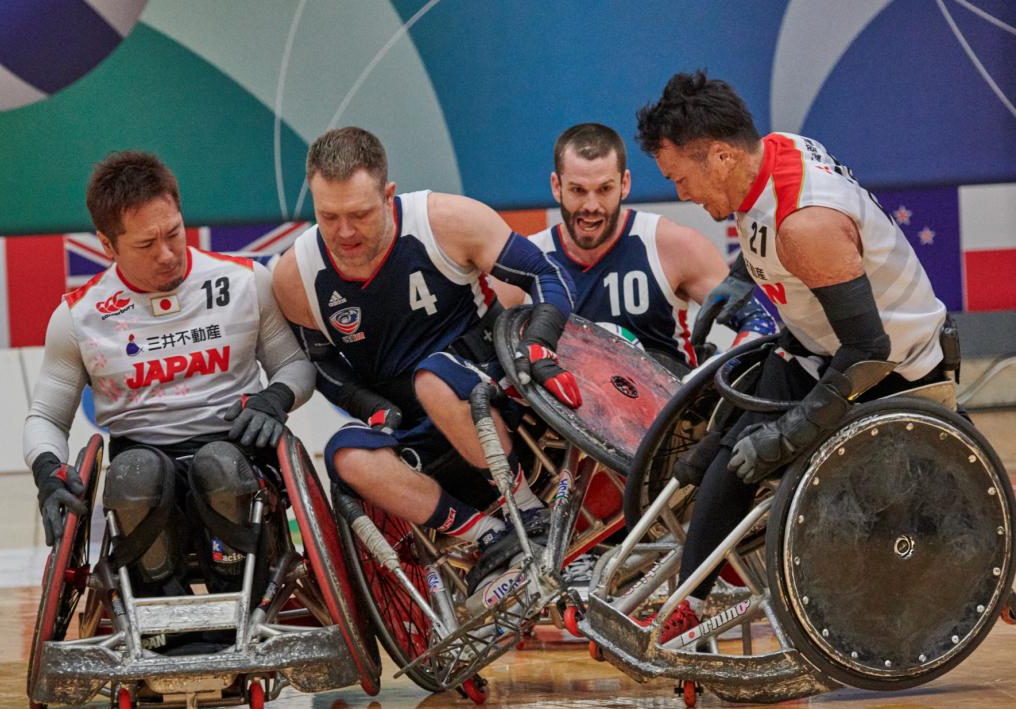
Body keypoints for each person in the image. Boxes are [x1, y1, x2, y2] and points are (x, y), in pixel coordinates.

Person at [634, 71, 950, 640]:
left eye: (681, 177)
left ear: (722, 156)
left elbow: (868, 351)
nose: (681, 193)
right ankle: (689, 600)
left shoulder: (807, 225)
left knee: (755, 451)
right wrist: (740, 279)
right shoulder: (776, 151)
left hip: (891, 371)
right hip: (817, 343)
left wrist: (793, 432)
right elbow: (766, 226)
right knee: (721, 450)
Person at [271, 127, 581, 598]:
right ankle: (486, 536)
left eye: (359, 214)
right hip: (410, 420)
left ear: (389, 195)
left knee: (434, 378)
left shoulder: (445, 220)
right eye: (328, 216)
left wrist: (538, 343)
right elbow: (321, 364)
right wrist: (367, 404)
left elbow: (546, 273)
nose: (344, 232)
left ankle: (527, 509)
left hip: (488, 390)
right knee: (344, 454)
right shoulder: (296, 273)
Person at [24, 150, 315, 602]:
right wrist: (48, 470)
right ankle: (163, 607)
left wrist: (275, 398)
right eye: (145, 244)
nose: (166, 254)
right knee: (135, 475)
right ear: (107, 244)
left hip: (238, 455)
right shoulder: (78, 317)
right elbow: (45, 416)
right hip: (141, 465)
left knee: (219, 465)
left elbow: (295, 367)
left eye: (174, 233)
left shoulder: (245, 282)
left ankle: (235, 590)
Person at [528, 122, 775, 377]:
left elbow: (759, 322)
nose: (591, 205)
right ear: (557, 187)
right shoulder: (527, 260)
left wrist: (713, 380)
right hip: (565, 412)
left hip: (670, 412)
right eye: (578, 190)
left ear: (624, 183)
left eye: (604, 189)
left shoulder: (673, 245)